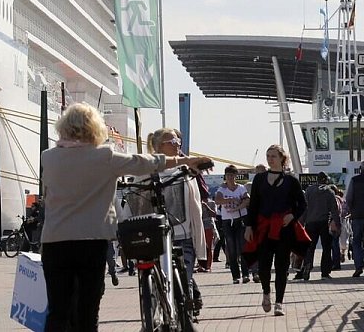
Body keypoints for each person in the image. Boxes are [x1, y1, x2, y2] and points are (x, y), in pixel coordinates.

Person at [40, 103, 208, 332]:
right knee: (88, 310)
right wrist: (185, 161)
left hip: (55, 241)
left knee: (58, 309)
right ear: (94, 128)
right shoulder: (105, 156)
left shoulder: (48, 158)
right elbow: (146, 162)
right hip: (92, 240)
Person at [243, 144, 309, 317]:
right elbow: (254, 205)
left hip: (284, 229)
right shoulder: (259, 179)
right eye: (268, 156)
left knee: (282, 266)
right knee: (264, 265)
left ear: (282, 158)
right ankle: (266, 292)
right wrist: (249, 226)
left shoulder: (291, 180)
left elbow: (302, 204)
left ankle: (279, 302)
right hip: (263, 228)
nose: (270, 159)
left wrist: (292, 216)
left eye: (273, 156)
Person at [145, 128, 205, 310]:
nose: (177, 145)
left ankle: (186, 312)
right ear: (158, 147)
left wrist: (199, 241)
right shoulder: (146, 171)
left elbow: (195, 207)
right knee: (159, 284)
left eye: (178, 142)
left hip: (183, 236)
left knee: (183, 282)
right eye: (172, 142)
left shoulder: (185, 172)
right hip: (156, 238)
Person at [297, 171, 340, 280]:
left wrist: (301, 223)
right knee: (326, 247)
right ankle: (325, 273)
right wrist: (337, 224)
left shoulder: (309, 190)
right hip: (324, 222)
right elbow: (334, 210)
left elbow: (304, 208)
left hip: (310, 223)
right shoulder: (329, 192)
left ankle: (307, 265)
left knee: (310, 247)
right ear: (326, 180)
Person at [213, 165, 250, 284]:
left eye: (232, 175)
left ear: (235, 176)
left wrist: (238, 207)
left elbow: (247, 200)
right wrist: (231, 200)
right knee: (231, 248)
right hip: (227, 221)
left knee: (242, 246)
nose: (230, 177)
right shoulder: (222, 189)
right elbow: (218, 200)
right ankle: (235, 276)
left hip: (240, 219)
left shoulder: (240, 188)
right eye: (228, 175)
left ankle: (245, 274)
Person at [347, 165, 364, 277]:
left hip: (357, 216)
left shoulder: (354, 180)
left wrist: (351, 210)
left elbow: (349, 198)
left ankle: (358, 266)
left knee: (357, 242)